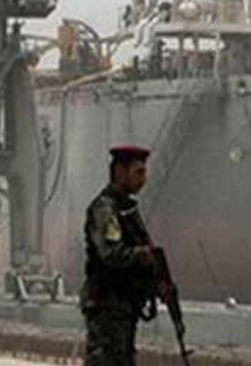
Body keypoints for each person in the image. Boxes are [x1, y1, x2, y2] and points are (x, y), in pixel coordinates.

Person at [81, 145, 157, 365]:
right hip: (107, 305)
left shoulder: (128, 209)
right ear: (120, 172)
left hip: (123, 306)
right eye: (138, 173)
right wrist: (141, 255)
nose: (144, 179)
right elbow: (109, 252)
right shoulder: (106, 209)